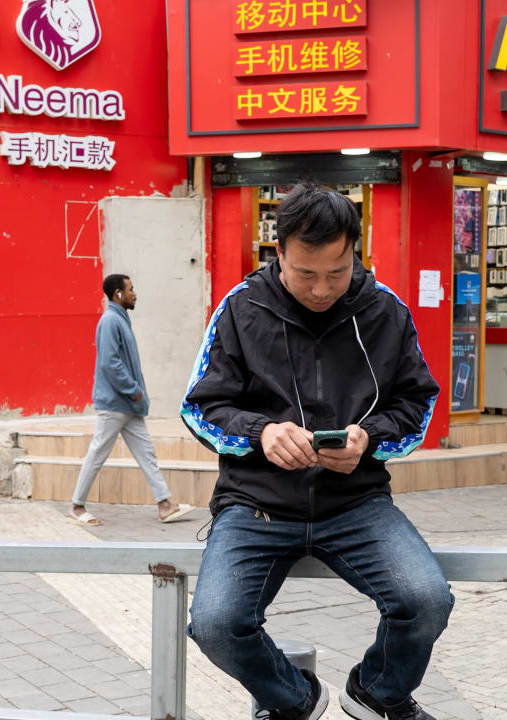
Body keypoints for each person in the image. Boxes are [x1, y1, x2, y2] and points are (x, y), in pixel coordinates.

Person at [181, 183, 452, 720]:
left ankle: (378, 691)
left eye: (337, 272)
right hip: (254, 506)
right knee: (215, 624)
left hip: (356, 502)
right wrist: (261, 433)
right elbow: (200, 407)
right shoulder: (239, 309)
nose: (322, 289)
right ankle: (295, 699)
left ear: (356, 251)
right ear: (278, 251)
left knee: (426, 600)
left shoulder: (386, 311)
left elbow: (417, 403)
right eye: (306, 273)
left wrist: (368, 440)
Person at [68, 274, 195, 526]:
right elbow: (110, 363)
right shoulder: (110, 321)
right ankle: (76, 506)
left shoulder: (120, 320)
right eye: (130, 289)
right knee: (97, 454)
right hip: (115, 404)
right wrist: (133, 389)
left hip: (129, 405)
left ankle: (165, 506)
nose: (134, 294)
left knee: (146, 454)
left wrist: (135, 395)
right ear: (118, 294)